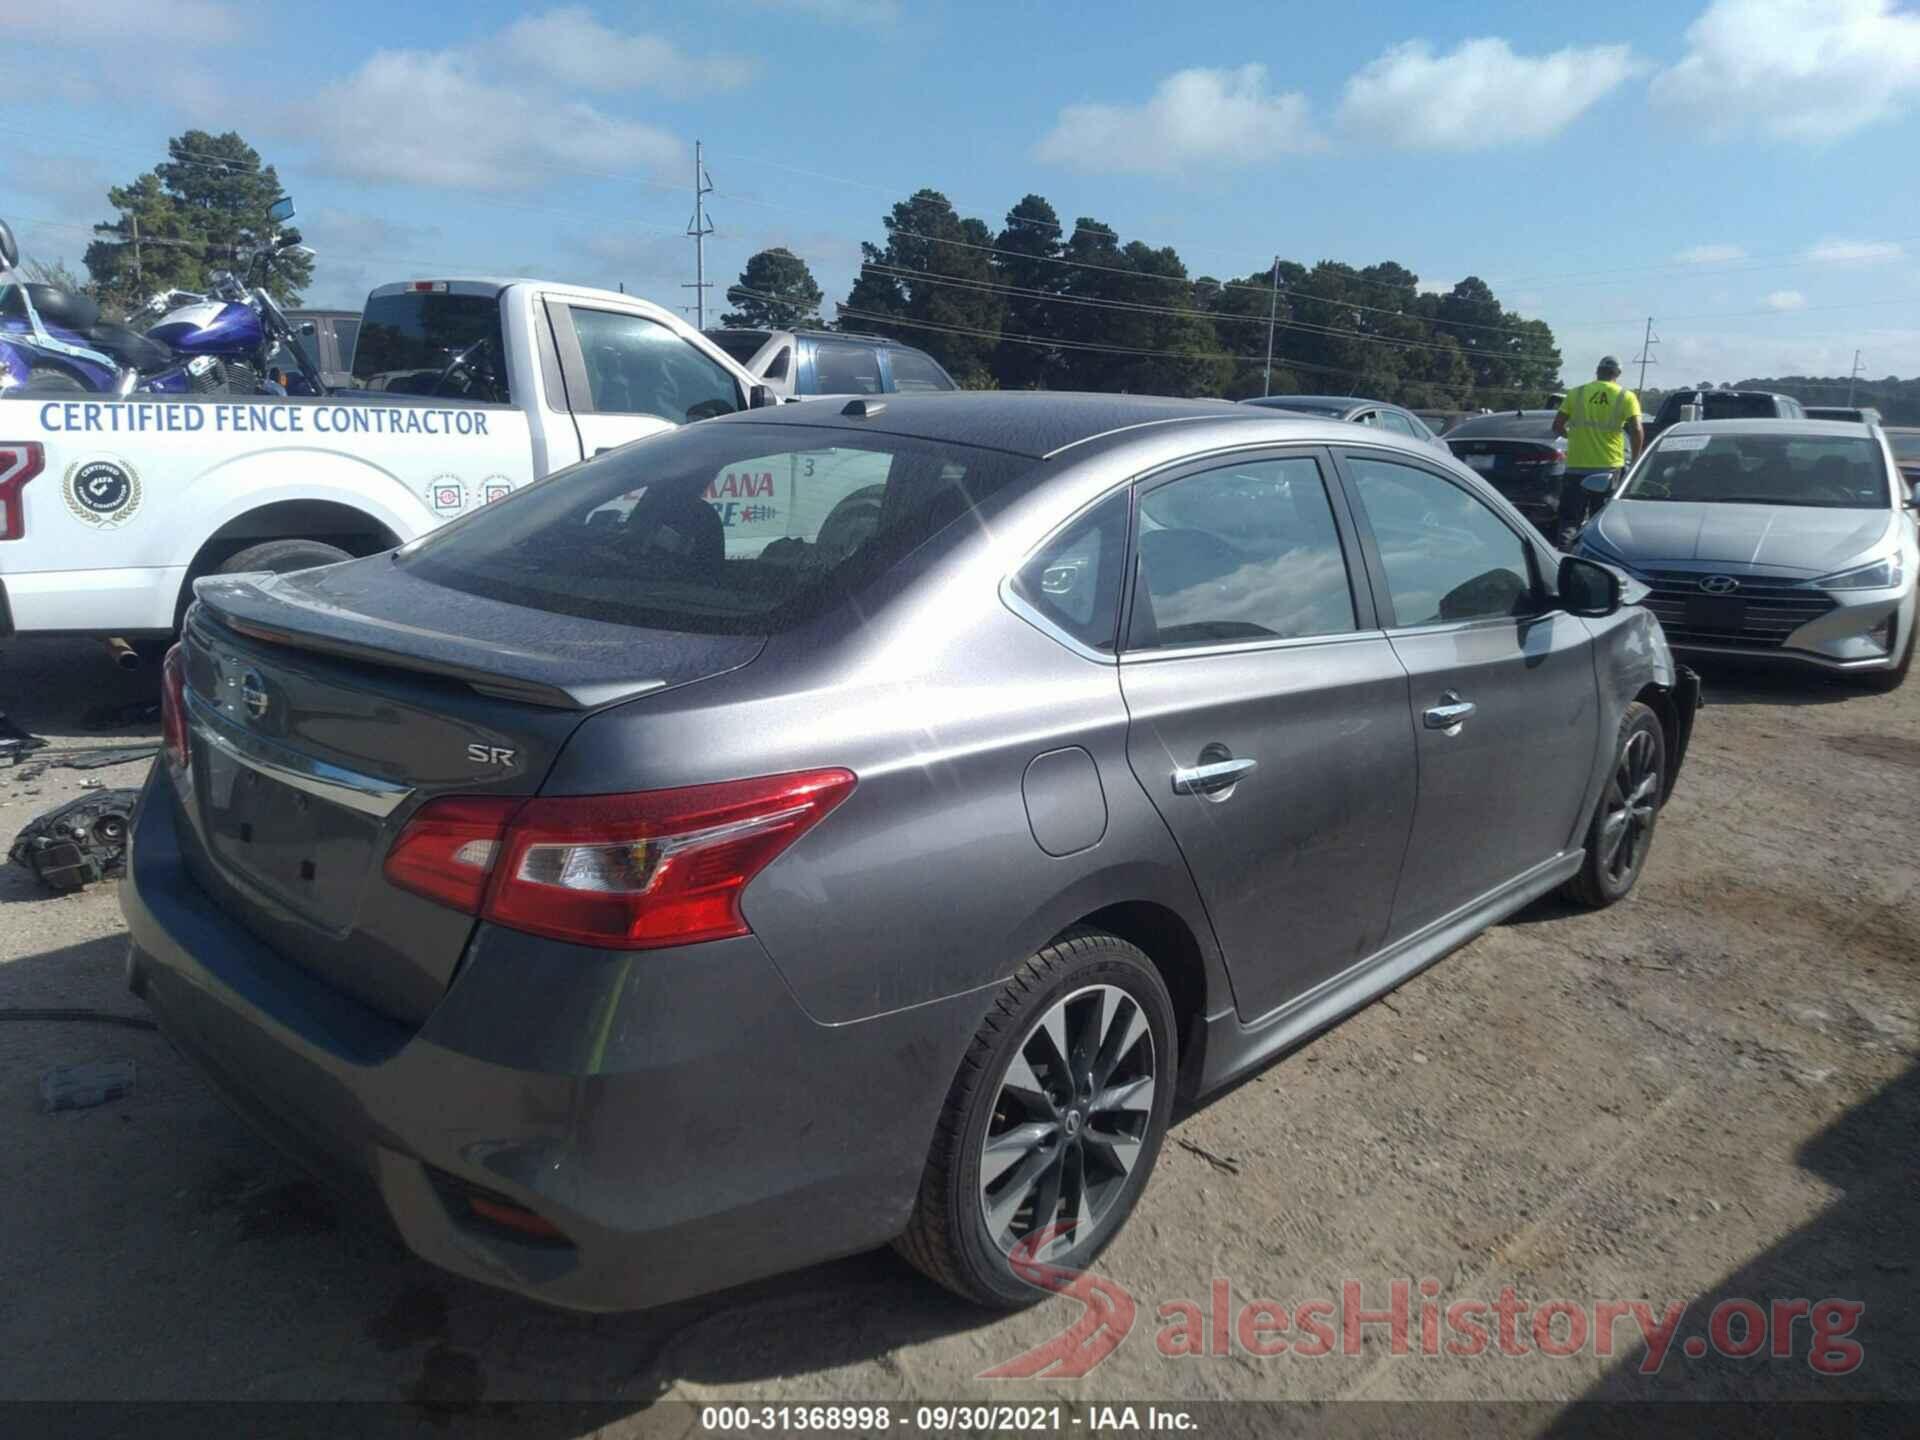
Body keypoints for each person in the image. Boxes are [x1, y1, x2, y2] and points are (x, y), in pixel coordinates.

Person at [1552, 356, 1643, 546]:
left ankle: (1564, 557)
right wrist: (1636, 462)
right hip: (1608, 467)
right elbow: (1636, 430)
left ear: (1597, 371)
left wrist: (1575, 437)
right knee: (1601, 521)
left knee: (1570, 520)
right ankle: (1595, 563)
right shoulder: (1625, 396)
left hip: (1576, 465)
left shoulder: (1576, 393)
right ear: (1617, 374)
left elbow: (1558, 425)